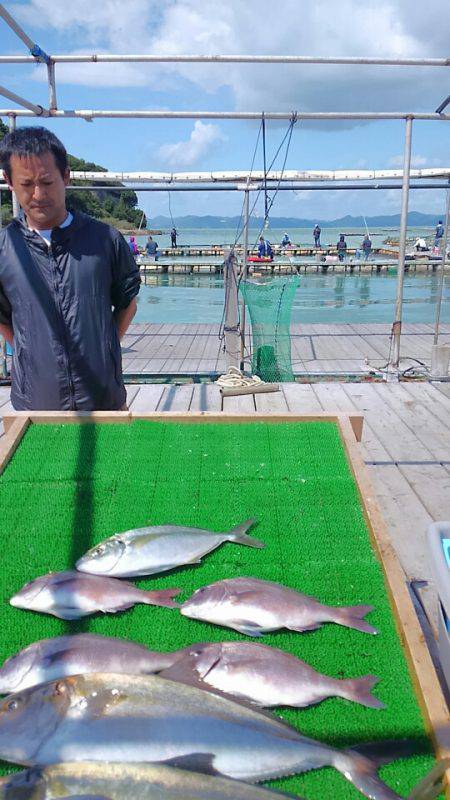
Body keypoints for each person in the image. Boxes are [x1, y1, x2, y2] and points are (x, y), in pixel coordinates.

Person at [0, 126, 140, 411]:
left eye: (47, 182)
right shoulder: (4, 248)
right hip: (35, 404)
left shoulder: (105, 239)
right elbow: (3, 317)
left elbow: (127, 303)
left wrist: (106, 347)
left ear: (66, 176)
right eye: (27, 184)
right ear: (9, 181)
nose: (38, 194)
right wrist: (30, 354)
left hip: (103, 400)